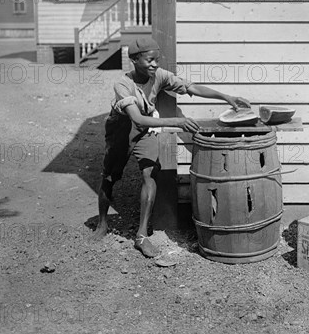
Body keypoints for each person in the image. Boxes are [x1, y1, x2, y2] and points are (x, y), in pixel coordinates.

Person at [91, 37, 250, 258]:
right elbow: (137, 119)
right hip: (122, 131)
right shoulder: (122, 84)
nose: (154, 65)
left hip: (146, 132)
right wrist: (177, 122)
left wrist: (226, 97)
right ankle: (102, 222)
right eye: (149, 60)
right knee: (109, 177)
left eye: (156, 60)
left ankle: (141, 236)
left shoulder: (159, 75)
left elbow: (190, 87)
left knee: (149, 173)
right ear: (135, 60)